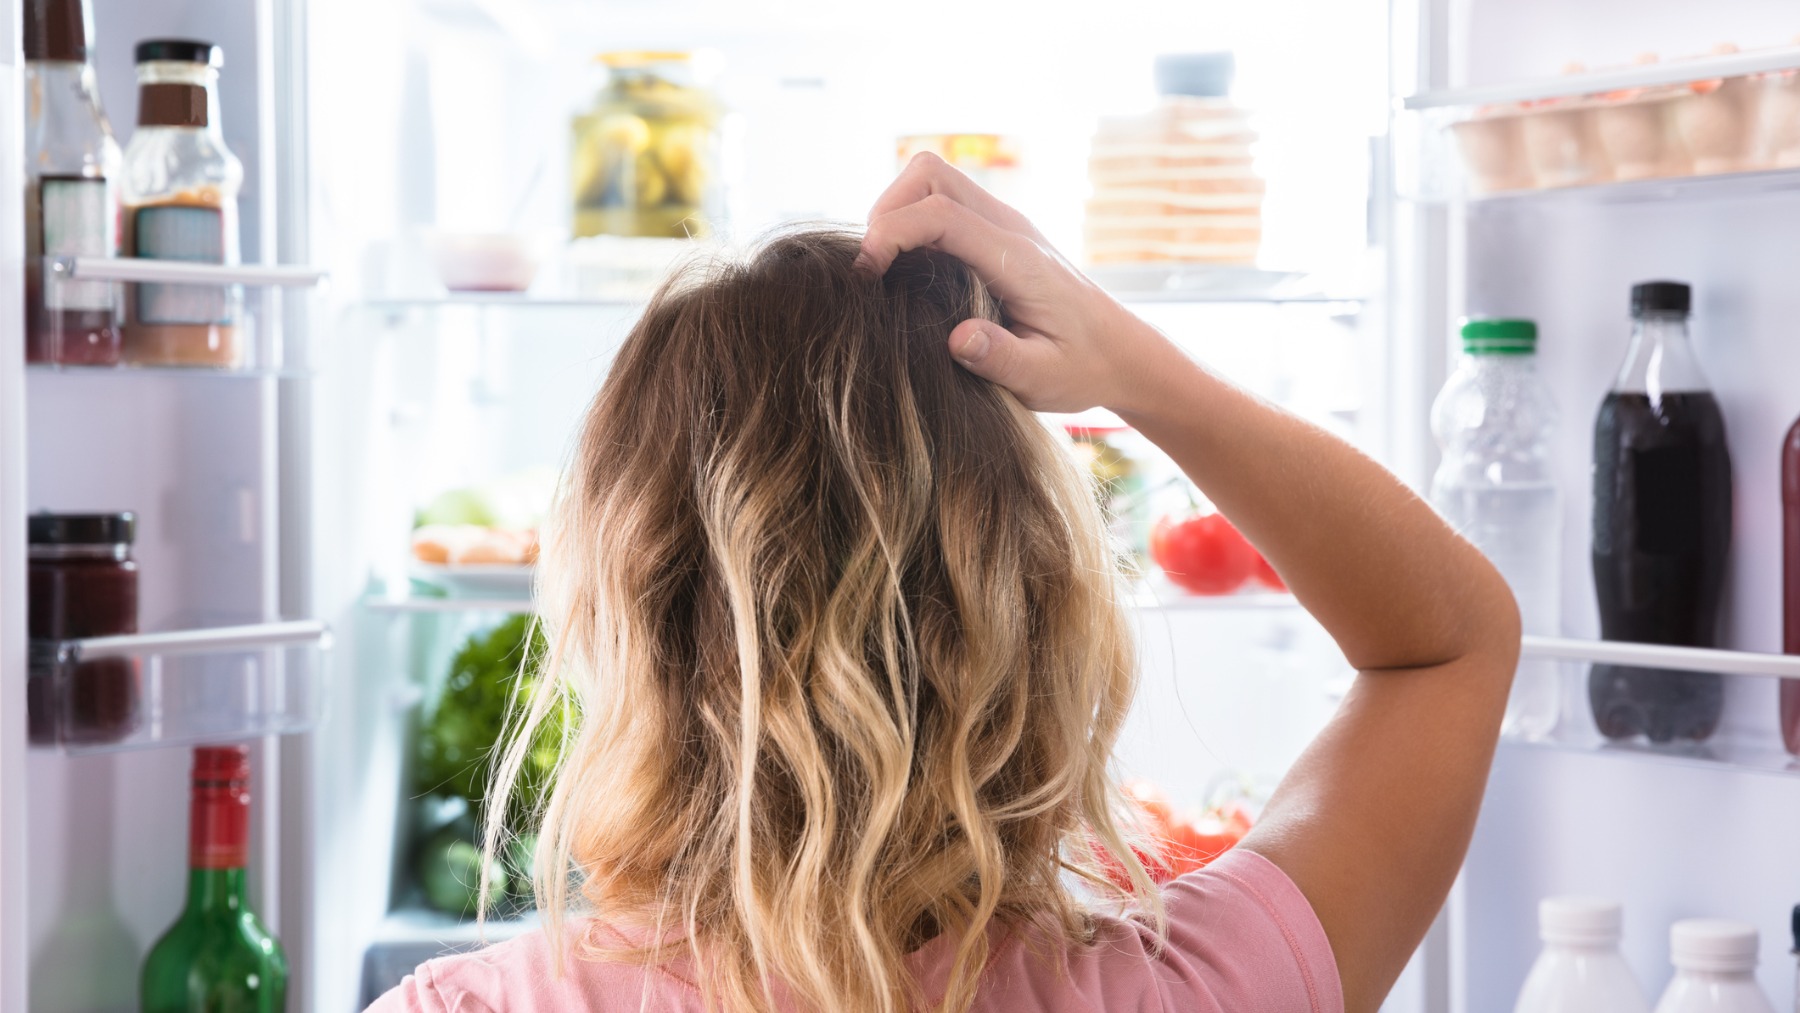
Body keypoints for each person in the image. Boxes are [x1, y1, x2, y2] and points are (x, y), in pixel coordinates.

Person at [370, 154, 1518, 1013]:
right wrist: (1136, 368)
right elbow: (1451, 642)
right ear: (1038, 595)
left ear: (624, 606)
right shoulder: (1192, 988)